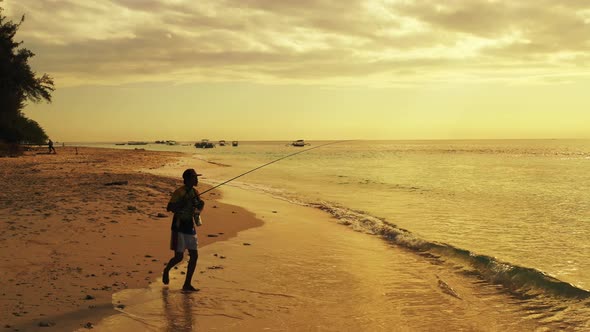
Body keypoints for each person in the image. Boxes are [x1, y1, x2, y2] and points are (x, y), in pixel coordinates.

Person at [162, 168, 205, 292]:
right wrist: (183, 203)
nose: (197, 179)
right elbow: (169, 208)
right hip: (178, 226)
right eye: (194, 177)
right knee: (179, 257)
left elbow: (198, 209)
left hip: (190, 226)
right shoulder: (179, 192)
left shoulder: (196, 192)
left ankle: (187, 284)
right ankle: (166, 270)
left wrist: (200, 205)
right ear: (187, 179)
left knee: (194, 255)